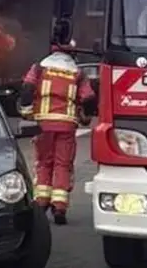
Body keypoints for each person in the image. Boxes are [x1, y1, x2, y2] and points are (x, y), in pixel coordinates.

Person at [18, 50, 95, 225]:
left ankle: (41, 202)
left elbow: (27, 88)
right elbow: (89, 98)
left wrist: (27, 112)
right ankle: (59, 206)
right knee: (63, 164)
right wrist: (86, 117)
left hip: (43, 125)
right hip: (66, 125)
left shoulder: (39, 68)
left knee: (44, 162)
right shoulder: (77, 72)